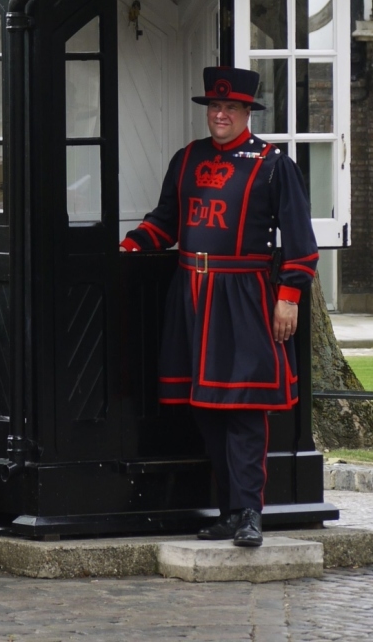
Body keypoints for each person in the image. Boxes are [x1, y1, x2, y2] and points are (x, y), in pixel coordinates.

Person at [120, 67, 318, 547]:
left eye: (230, 107)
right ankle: (229, 511)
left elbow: (301, 242)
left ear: (248, 112)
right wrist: (129, 246)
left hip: (246, 297)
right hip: (191, 295)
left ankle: (250, 513)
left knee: (245, 407)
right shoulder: (187, 158)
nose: (221, 114)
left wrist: (289, 297)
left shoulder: (273, 164)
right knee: (205, 407)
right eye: (214, 106)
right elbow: (165, 222)